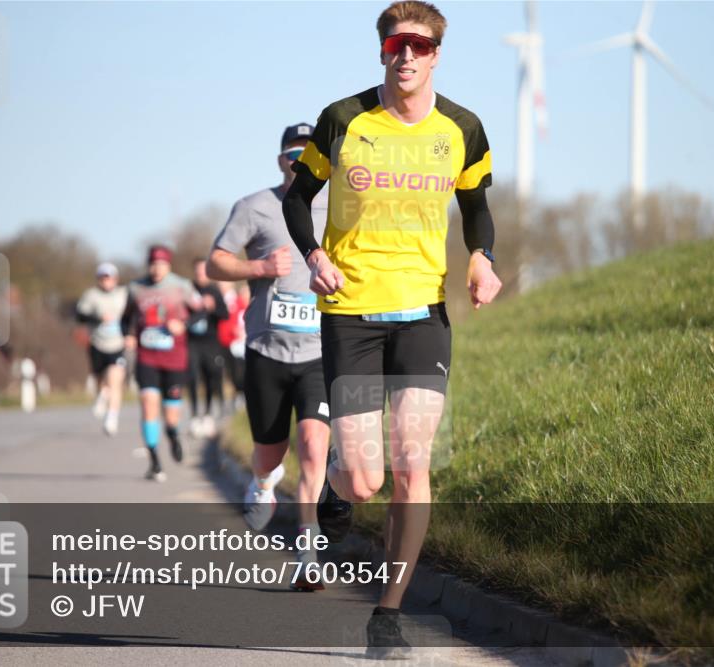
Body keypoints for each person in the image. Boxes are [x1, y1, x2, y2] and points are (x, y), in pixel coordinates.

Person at [283, 1, 502, 656]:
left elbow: (477, 206)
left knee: (412, 463)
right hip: (350, 314)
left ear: (437, 53)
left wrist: (482, 260)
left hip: (423, 315)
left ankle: (389, 611)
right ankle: (334, 484)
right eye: (395, 44)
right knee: (364, 481)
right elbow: (298, 197)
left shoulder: (462, 128)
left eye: (419, 44)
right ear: (382, 51)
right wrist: (315, 256)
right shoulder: (343, 120)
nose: (406, 55)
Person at [207, 122, 332, 591]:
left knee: (315, 448)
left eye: (308, 153)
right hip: (266, 351)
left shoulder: (338, 206)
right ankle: (262, 481)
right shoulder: (254, 206)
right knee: (269, 451)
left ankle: (308, 552)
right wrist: (258, 267)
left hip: (319, 352)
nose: (299, 161)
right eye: (291, 153)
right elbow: (214, 262)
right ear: (280, 159)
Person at [121, 245, 204, 481]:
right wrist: (127, 335)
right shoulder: (136, 288)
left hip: (175, 358)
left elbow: (201, 312)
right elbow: (125, 318)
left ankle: (174, 434)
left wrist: (183, 325)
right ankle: (155, 462)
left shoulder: (181, 286)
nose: (156, 269)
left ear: (168, 265)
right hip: (147, 357)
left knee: (171, 416)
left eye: (161, 264)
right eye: (153, 264)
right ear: (148, 264)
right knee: (148, 405)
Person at [75, 262, 128, 436]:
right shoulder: (91, 295)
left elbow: (132, 315)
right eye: (103, 277)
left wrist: (131, 334)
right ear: (98, 279)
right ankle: (102, 394)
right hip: (98, 344)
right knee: (101, 381)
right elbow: (80, 315)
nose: (106, 280)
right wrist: (98, 317)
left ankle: (112, 418)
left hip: (117, 344)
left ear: (115, 278)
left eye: (109, 277)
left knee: (115, 380)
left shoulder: (123, 295)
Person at [186, 258, 229, 438]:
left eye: (204, 271)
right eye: (197, 272)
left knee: (211, 376)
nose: (200, 275)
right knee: (192, 376)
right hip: (191, 341)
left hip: (211, 342)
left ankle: (208, 414)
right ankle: (195, 415)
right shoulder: (187, 289)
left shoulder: (214, 290)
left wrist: (212, 307)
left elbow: (225, 314)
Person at [216, 280, 248, 412]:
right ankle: (224, 401)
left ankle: (241, 395)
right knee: (225, 373)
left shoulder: (237, 300)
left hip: (235, 344)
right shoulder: (217, 299)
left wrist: (241, 331)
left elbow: (243, 316)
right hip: (220, 342)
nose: (221, 285)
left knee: (237, 372)